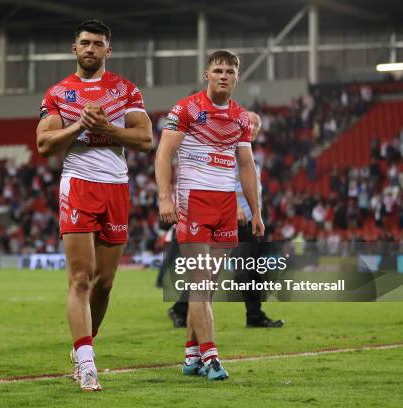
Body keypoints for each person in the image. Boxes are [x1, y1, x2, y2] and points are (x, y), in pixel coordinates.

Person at [36, 20, 152, 391]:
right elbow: (44, 145)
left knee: (105, 283)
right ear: (74, 48)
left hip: (115, 187)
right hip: (78, 186)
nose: (90, 49)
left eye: (97, 44)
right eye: (84, 43)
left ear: (107, 50)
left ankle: (86, 343)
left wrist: (106, 128)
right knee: (81, 279)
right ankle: (86, 361)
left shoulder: (124, 90)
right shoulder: (58, 93)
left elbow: (146, 138)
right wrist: (78, 127)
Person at [155, 50, 263, 381]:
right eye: (217, 69)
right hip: (192, 203)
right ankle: (211, 358)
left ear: (237, 77)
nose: (223, 75)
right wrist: (164, 198)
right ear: (207, 74)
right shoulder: (185, 109)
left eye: (230, 70)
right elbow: (164, 152)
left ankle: (191, 354)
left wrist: (256, 211)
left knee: (208, 289)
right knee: (201, 285)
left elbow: (246, 166)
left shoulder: (242, 119)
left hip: (225, 207)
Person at [164, 112, 284, 328]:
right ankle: (181, 309)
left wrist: (256, 214)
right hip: (229, 216)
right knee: (211, 268)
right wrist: (236, 207)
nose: (254, 128)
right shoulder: (228, 148)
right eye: (251, 123)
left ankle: (254, 316)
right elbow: (220, 178)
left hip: (247, 219)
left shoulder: (247, 154)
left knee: (252, 269)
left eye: (257, 125)